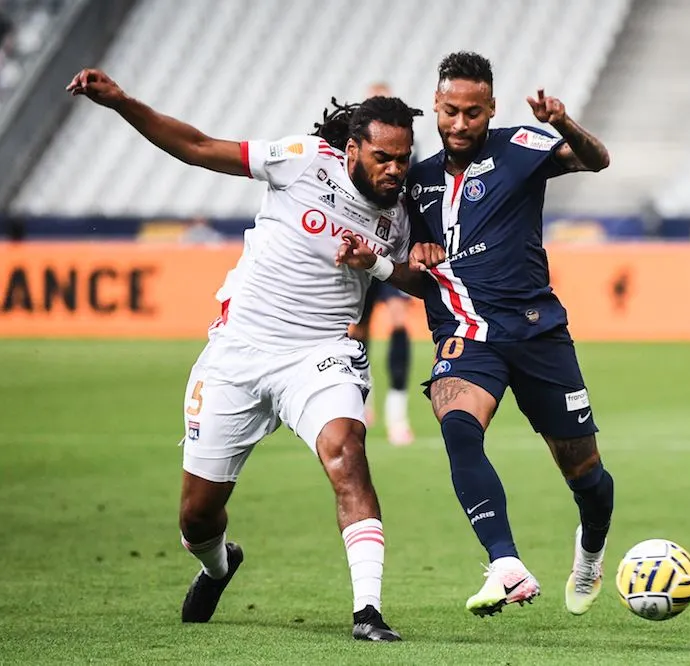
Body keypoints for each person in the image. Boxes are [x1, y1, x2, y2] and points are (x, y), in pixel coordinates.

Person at [66, 68, 443, 641]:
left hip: (320, 352)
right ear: (351, 149)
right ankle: (218, 566)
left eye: (403, 158)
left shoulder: (405, 211)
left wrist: (379, 265)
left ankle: (367, 611)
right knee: (196, 517)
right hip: (239, 353)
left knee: (347, 449)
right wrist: (120, 102)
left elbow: (425, 283)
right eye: (383, 157)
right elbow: (195, 147)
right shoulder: (299, 160)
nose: (395, 170)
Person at [407, 52, 615, 617]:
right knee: (457, 426)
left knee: (586, 475)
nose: (460, 124)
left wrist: (563, 122)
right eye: (451, 111)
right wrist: (409, 255)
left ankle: (590, 552)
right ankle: (506, 564)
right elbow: (410, 265)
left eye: (474, 113)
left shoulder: (520, 148)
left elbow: (596, 160)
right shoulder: (416, 181)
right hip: (466, 335)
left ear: (491, 110)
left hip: (537, 333)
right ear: (436, 105)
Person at [349, 82, 416, 446]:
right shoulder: (357, 149)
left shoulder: (403, 150)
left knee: (398, 320)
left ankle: (397, 414)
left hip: (388, 249)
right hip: (361, 251)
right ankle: (362, 403)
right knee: (356, 331)